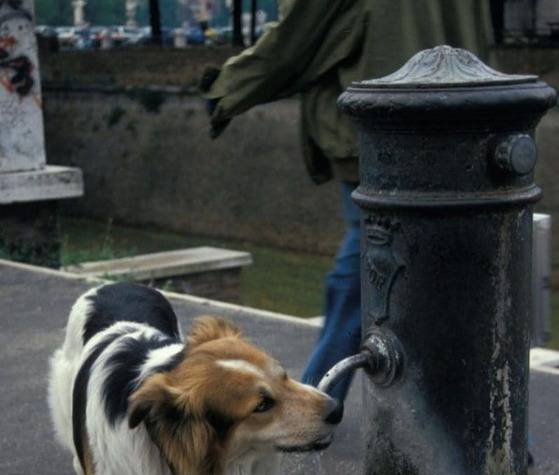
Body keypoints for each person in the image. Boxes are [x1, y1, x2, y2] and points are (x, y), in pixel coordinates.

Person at [203, 0, 493, 400]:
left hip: (384, 135)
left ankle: (315, 403)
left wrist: (225, 89)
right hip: (462, 126)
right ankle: (498, 417)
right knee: (451, 278)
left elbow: (294, 43)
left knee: (364, 275)